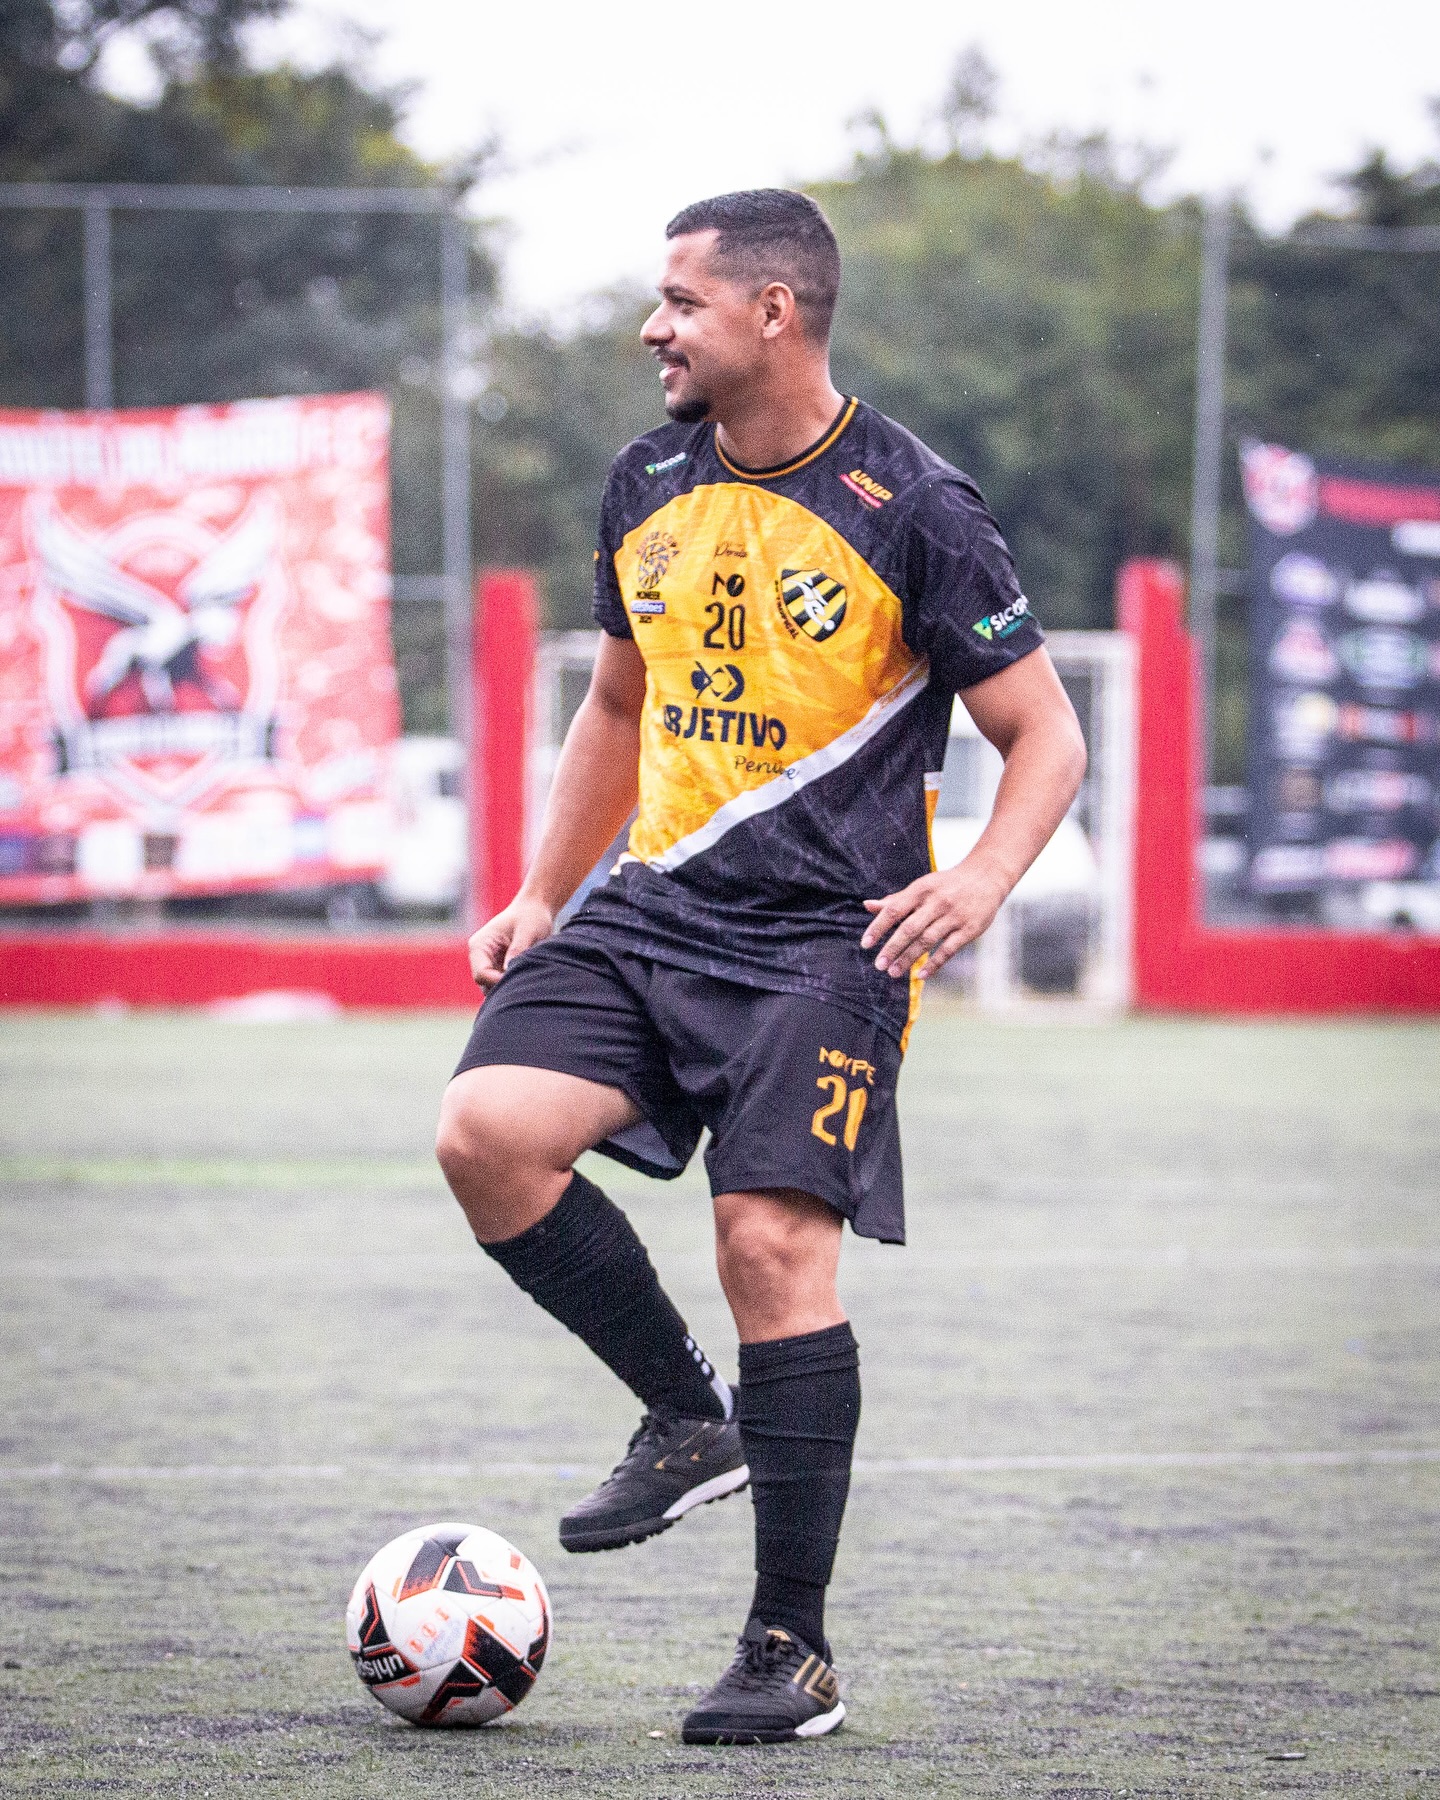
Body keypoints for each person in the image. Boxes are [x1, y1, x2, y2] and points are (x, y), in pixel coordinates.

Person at [436, 187, 1086, 1745]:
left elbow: (1047, 733)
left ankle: (790, 1650)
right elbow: (617, 706)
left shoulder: (914, 505)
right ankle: (684, 1417)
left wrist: (979, 879)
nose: (651, 328)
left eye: (682, 301)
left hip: (826, 942)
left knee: (769, 1250)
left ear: (774, 314)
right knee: (486, 1135)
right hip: (654, 910)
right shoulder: (645, 479)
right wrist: (543, 892)